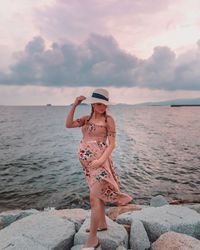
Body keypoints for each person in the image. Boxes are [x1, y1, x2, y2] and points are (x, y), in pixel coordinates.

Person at [66, 88, 132, 249]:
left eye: (104, 104)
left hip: (100, 162)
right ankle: (101, 224)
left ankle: (93, 238)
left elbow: (112, 144)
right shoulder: (86, 119)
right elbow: (68, 124)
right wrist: (75, 104)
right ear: (93, 104)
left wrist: (101, 160)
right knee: (97, 194)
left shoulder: (109, 120)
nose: (101, 107)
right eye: (98, 104)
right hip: (88, 165)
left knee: (94, 197)